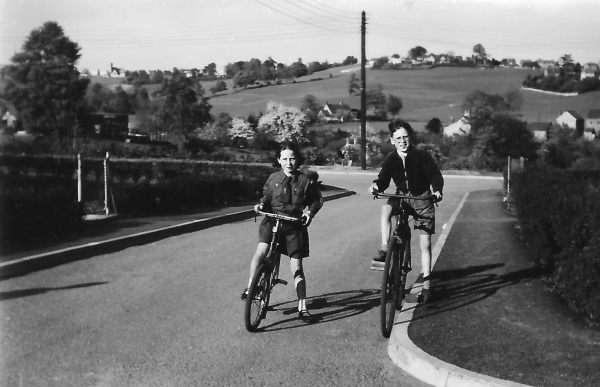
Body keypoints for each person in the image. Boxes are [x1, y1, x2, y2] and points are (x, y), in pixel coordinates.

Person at [241, 141, 323, 322]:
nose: (288, 162)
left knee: (297, 266)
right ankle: (250, 287)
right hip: (272, 221)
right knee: (261, 252)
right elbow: (266, 197)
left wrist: (310, 213)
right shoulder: (273, 178)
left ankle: (302, 307)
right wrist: (261, 204)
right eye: (284, 159)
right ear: (279, 160)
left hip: (293, 226)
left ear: (297, 160)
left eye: (292, 159)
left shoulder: (305, 181)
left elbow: (317, 201)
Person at [368, 119, 443, 303]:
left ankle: (426, 285)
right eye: (398, 138)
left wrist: (437, 189)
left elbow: (435, 175)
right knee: (386, 209)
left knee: (425, 243)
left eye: (405, 137)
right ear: (392, 140)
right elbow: (383, 179)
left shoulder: (421, 155)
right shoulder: (391, 158)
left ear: (410, 138)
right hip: (402, 197)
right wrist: (376, 185)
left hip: (423, 198)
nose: (402, 141)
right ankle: (386, 246)